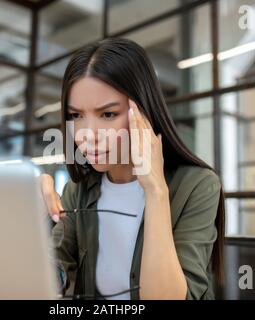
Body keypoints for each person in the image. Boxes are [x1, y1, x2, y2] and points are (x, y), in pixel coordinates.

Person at [39, 38, 225, 300]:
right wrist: (36, 222)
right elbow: (53, 279)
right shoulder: (79, 190)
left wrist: (155, 189)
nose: (86, 135)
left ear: (144, 111)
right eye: (75, 116)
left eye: (107, 115)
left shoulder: (198, 186)